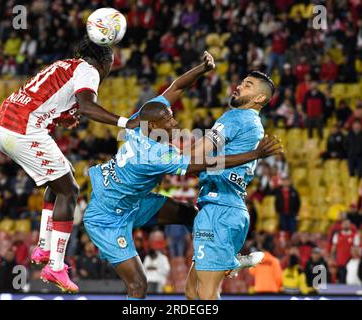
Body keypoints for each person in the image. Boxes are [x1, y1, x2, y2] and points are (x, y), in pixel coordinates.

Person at [83, 54, 283, 300]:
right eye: (168, 120)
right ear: (154, 127)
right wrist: (255, 154)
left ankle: (220, 257)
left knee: (192, 216)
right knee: (139, 285)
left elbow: (176, 87)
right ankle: (223, 258)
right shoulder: (155, 155)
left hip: (135, 201)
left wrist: (202, 68)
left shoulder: (140, 121)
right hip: (107, 216)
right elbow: (202, 162)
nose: (174, 121)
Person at [0, 37, 138, 293]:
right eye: (110, 66)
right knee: (70, 191)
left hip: (5, 124)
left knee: (61, 178)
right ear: (104, 62)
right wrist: (126, 123)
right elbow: (88, 107)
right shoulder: (89, 70)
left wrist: (63, 118)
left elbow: (46, 99)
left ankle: (44, 247)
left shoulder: (64, 65)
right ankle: (55, 265)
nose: (108, 71)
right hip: (22, 129)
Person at [186, 71, 278, 300]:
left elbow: (196, 157)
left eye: (248, 85)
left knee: (206, 296)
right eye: (241, 81)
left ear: (259, 98)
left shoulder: (235, 118)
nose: (238, 86)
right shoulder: (254, 124)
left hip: (219, 210)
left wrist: (161, 160)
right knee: (191, 292)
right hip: (228, 208)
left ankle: (232, 261)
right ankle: (232, 261)